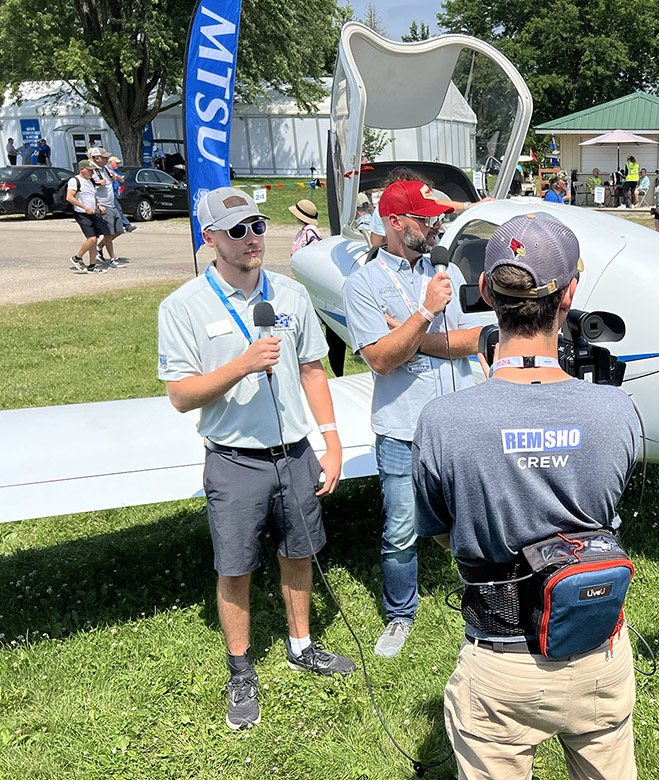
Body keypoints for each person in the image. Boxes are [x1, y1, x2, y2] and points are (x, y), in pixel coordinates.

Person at [412, 212, 642, 780]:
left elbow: (442, 528)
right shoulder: (618, 411)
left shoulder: (443, 421)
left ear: (487, 292)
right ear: (569, 294)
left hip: (499, 664)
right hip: (597, 652)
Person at [157, 187, 355, 731]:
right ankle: (241, 670)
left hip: (295, 454)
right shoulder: (183, 306)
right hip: (234, 461)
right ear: (211, 239)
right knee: (236, 567)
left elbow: (314, 369)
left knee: (299, 554)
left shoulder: (289, 297)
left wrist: (331, 440)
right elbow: (180, 395)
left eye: (258, 227)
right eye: (238, 230)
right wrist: (242, 365)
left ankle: (300, 645)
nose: (252, 239)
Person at [341, 180, 482, 658]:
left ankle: (483, 592)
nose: (434, 225)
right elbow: (380, 360)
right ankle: (401, 615)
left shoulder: (444, 273)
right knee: (401, 528)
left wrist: (409, 335)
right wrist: (423, 313)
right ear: (395, 222)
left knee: (470, 518)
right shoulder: (364, 284)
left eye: (435, 217)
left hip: (458, 423)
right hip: (403, 430)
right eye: (423, 218)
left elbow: (471, 340)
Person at [368, 167, 490, 249]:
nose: (436, 225)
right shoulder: (383, 210)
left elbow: (376, 242)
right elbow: (377, 243)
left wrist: (470, 206)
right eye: (426, 219)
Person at [65, 160, 106, 274]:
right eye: (90, 170)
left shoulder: (90, 181)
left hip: (92, 213)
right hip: (82, 213)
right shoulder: (75, 181)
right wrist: (84, 207)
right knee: (92, 239)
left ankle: (92, 265)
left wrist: (98, 205)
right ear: (82, 169)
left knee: (94, 240)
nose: (92, 173)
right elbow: (70, 197)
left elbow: (92, 196)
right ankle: (77, 258)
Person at [88, 148, 126, 269]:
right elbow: (87, 187)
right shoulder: (92, 170)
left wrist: (116, 178)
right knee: (108, 234)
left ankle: (99, 248)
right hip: (103, 205)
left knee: (120, 230)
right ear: (97, 158)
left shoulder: (104, 169)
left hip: (111, 204)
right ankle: (113, 259)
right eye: (104, 157)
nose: (106, 159)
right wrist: (99, 184)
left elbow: (112, 179)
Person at [105, 156, 137, 233]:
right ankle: (127, 225)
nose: (117, 165)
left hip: (115, 193)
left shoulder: (116, 171)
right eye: (116, 163)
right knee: (118, 209)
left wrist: (115, 176)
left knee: (114, 210)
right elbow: (110, 178)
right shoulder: (106, 169)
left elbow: (121, 180)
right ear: (111, 162)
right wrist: (115, 177)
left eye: (118, 163)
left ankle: (116, 226)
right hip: (108, 193)